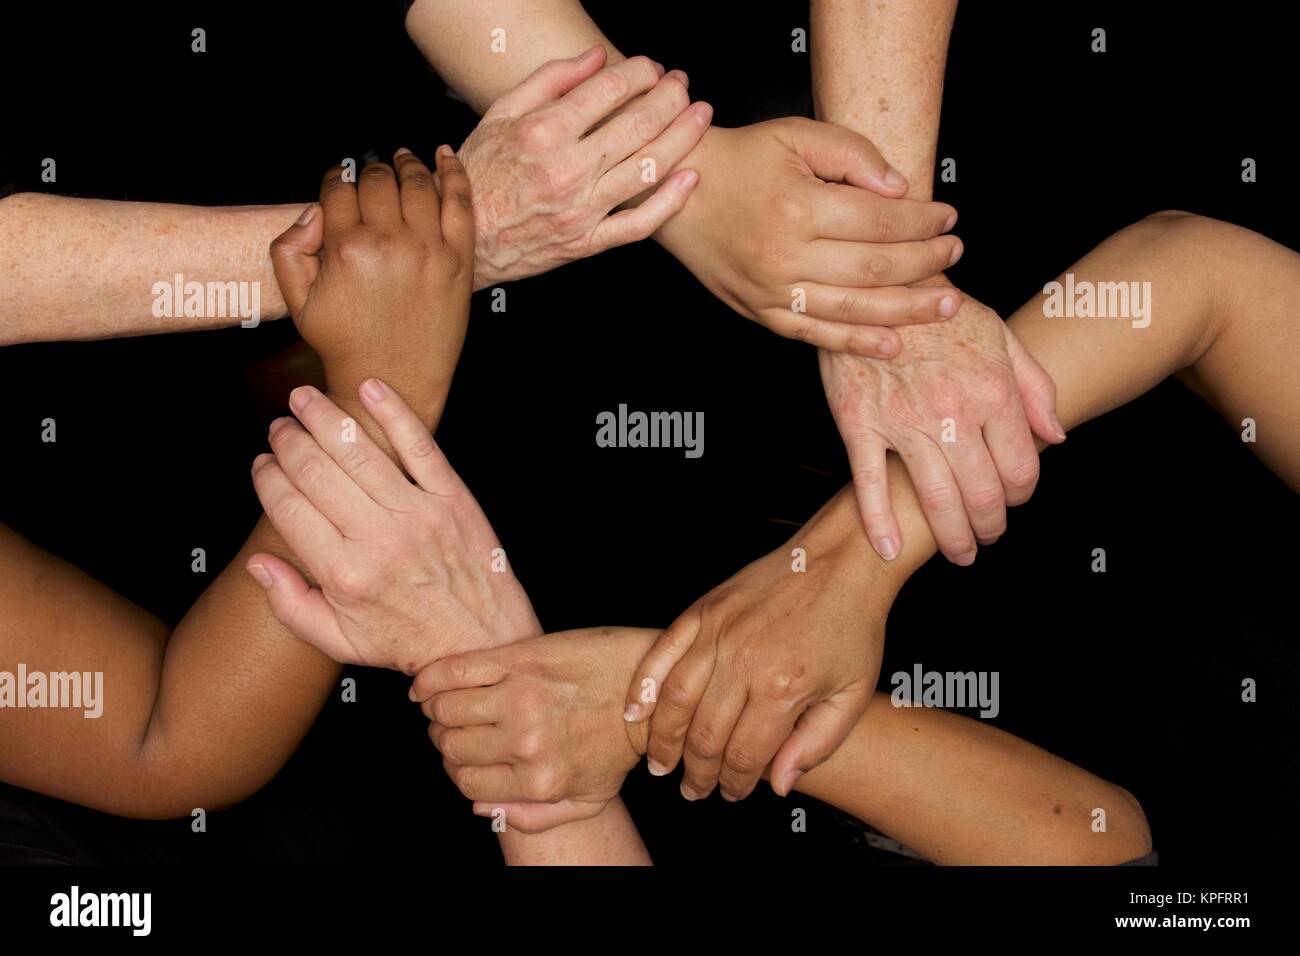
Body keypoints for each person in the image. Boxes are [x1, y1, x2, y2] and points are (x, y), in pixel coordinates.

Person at [253, 209, 1298, 857]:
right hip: (906, 441)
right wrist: (847, 569)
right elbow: (1202, 281)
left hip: (693, 714)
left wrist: (620, 696)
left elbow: (1114, 859)